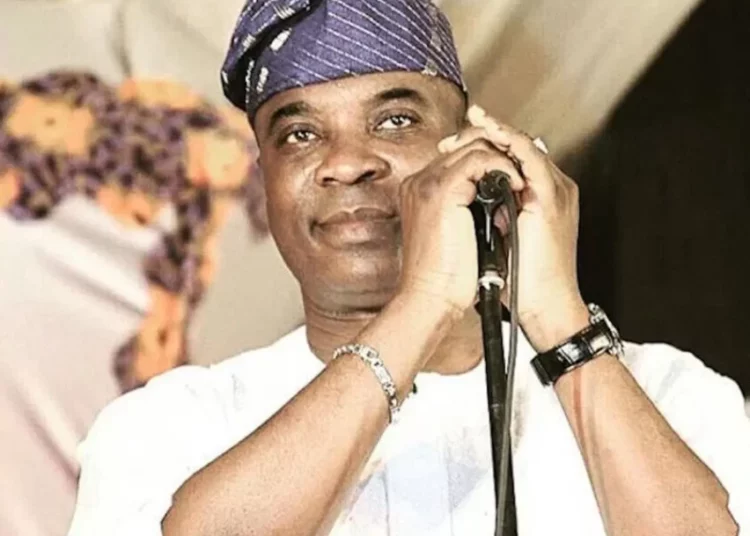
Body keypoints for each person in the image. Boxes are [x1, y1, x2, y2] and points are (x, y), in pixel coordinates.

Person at [67, 1, 750, 535]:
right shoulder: (169, 426)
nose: (346, 163)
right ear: (264, 182)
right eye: (300, 134)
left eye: (394, 120)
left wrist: (556, 318)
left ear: (475, 146)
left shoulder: (669, 396)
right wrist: (422, 304)